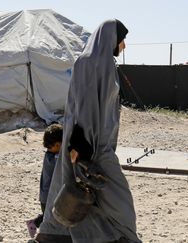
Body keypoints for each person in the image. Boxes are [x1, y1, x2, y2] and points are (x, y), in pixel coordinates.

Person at [35, 19, 141, 243]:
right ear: (111, 38)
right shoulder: (87, 63)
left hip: (101, 146)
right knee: (119, 203)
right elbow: (80, 108)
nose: (124, 46)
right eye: (122, 40)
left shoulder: (106, 65)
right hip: (88, 147)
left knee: (95, 201)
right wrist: (78, 146)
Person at [26, 123, 63, 238]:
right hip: (49, 196)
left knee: (50, 216)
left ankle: (34, 223)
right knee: (52, 218)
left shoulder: (50, 155)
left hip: (46, 195)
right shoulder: (54, 158)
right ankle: (34, 224)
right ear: (57, 144)